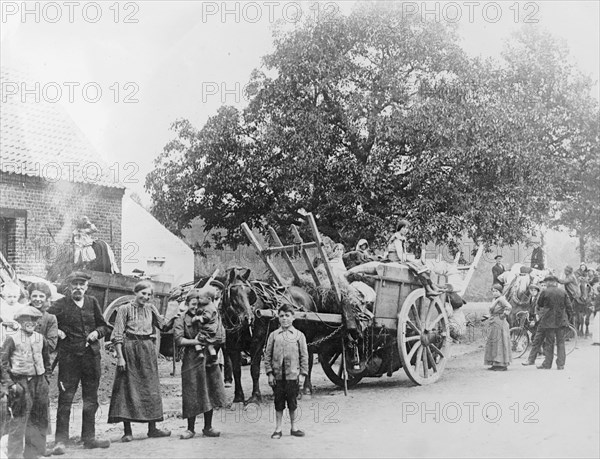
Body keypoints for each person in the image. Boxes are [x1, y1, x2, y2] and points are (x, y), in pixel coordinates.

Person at [47, 271, 111, 454]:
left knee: (91, 398)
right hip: (69, 358)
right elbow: (44, 320)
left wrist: (97, 333)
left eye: (82, 285)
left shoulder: (92, 302)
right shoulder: (60, 304)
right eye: (75, 284)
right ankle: (61, 440)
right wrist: (56, 331)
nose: (78, 288)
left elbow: (105, 325)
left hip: (91, 357)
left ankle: (89, 438)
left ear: (87, 287)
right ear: (70, 287)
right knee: (66, 398)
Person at [107, 280, 171, 442]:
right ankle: (127, 431)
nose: (146, 297)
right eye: (143, 293)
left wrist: (174, 317)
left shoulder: (151, 309)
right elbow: (117, 335)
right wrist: (120, 357)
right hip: (129, 349)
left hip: (147, 350)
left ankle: (153, 428)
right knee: (126, 388)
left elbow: (163, 326)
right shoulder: (124, 309)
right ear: (136, 292)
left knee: (150, 387)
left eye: (149, 294)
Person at [173, 288, 227, 440]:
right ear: (187, 303)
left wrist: (211, 343)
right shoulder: (181, 319)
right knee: (192, 392)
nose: (195, 307)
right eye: (192, 304)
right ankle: (190, 429)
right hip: (191, 359)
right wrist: (196, 341)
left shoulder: (208, 314)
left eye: (197, 304)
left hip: (208, 359)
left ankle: (208, 427)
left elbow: (219, 333)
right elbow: (179, 340)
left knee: (209, 391)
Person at [0, 306, 51, 458]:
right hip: (20, 382)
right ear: (20, 321)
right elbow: (3, 363)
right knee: (19, 420)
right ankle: (14, 455)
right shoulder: (12, 338)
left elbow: (47, 361)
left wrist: (46, 380)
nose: (30, 323)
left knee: (39, 418)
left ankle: (34, 453)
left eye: (33, 320)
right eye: (26, 319)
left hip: (39, 381)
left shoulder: (41, 339)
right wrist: (10, 384)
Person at [264, 303, 309, 439]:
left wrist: (302, 375)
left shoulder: (299, 336)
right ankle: (278, 429)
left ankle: (294, 427)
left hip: (292, 375)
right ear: (278, 318)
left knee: (292, 402)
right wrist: (270, 373)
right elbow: (267, 356)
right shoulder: (273, 335)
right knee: (278, 402)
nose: (284, 319)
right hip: (277, 377)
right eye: (281, 316)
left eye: (287, 316)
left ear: (293, 318)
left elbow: (304, 356)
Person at [535, 275, 573, 370]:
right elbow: (569, 307)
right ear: (555, 282)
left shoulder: (544, 291)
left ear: (548, 282)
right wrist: (568, 319)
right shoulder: (563, 291)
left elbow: (539, 304)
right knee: (561, 342)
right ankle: (560, 365)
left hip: (549, 321)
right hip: (561, 321)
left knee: (549, 343)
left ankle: (547, 364)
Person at [484, 284, 512, 371]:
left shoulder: (502, 299)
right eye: (493, 291)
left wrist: (503, 316)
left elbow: (509, 307)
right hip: (493, 322)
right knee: (494, 342)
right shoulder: (495, 299)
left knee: (500, 342)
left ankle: (502, 364)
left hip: (500, 322)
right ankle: (495, 363)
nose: (495, 293)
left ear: (500, 292)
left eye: (496, 291)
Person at [27, 283, 59, 354]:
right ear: (29, 297)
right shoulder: (21, 314)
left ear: (46, 298)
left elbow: (51, 345)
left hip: (40, 358)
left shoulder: (50, 318)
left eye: (41, 296)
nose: (38, 299)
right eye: (34, 296)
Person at [522, 284, 546, 366]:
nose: (532, 292)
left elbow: (540, 311)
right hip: (533, 317)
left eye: (534, 290)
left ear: (537, 291)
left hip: (540, 319)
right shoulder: (531, 298)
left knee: (536, 337)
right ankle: (541, 352)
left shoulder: (539, 299)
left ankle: (541, 353)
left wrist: (535, 321)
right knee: (534, 336)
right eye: (531, 290)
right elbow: (530, 308)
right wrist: (527, 313)